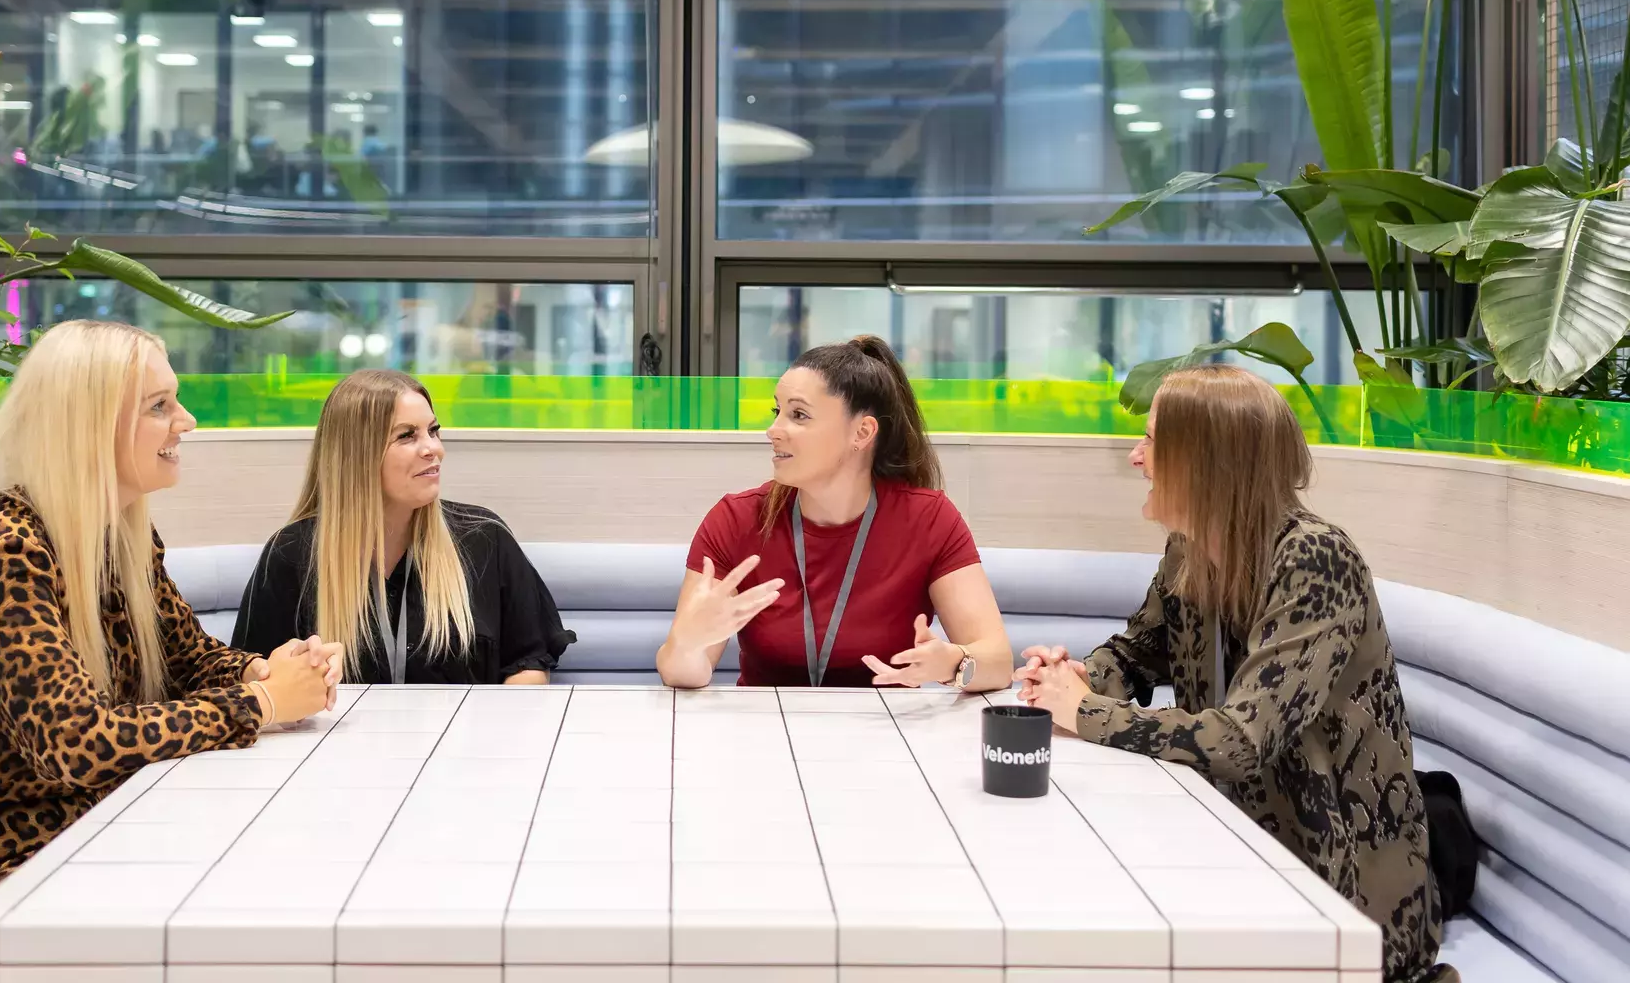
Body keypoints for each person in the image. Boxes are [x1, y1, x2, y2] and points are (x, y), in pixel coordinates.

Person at [0, 320, 344, 983]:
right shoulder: (2, 549)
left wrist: (265, 668)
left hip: (72, 846)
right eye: (159, 406)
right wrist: (261, 704)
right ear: (89, 426)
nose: (185, 421)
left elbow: (186, 657)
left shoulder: (119, 535)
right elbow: (72, 742)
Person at [1016, 364, 1454, 983]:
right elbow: (1137, 654)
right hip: (1227, 845)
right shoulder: (1193, 548)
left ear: (1206, 461)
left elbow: (1241, 741)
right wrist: (1071, 676)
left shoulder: (1316, 559)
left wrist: (1083, 711)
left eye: (1151, 442)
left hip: (1339, 896)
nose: (1137, 459)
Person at [657, 335, 1012, 690]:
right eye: (776, 411)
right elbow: (682, 672)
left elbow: (998, 662)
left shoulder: (930, 519)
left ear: (862, 432)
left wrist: (953, 662)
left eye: (799, 414)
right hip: (764, 732)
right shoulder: (735, 520)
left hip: (884, 732)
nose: (773, 430)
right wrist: (687, 644)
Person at [232, 369, 573, 683]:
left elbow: (528, 665)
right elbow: (254, 675)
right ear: (357, 454)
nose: (434, 449)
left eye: (433, 431)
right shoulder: (292, 553)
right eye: (407, 436)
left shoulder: (484, 538)